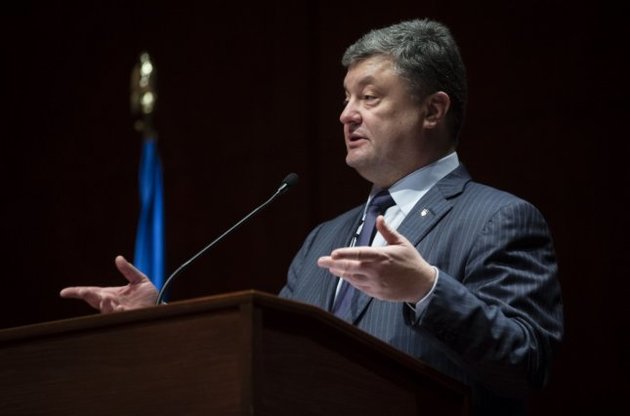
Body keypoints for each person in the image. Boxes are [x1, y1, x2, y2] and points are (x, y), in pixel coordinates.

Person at [61, 18, 564, 415]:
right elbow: (270, 360)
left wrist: (427, 289)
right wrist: (161, 323)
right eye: (346, 98)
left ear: (433, 110)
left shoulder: (500, 218)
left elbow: (526, 365)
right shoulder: (324, 238)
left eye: (369, 97)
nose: (346, 114)